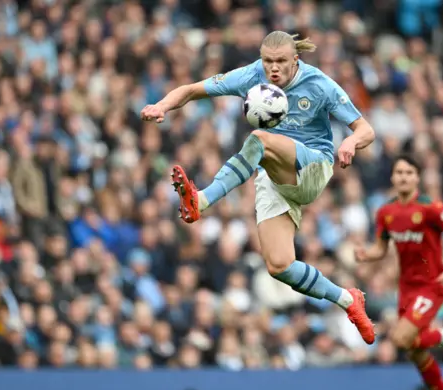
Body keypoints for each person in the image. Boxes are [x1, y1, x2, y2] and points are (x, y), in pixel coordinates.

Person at [140, 31, 377, 344]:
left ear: (296, 59)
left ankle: (202, 200)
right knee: (279, 265)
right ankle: (347, 299)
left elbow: (366, 129)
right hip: (274, 174)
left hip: (314, 165)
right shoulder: (251, 74)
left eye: (281, 61)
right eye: (268, 61)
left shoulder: (319, 84)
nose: (273, 68)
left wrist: (349, 141)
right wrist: (162, 106)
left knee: (258, 140)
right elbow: (191, 89)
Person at [354, 154, 443, 390]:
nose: (403, 177)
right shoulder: (386, 212)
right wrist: (366, 254)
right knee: (413, 350)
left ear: (417, 178)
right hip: (406, 287)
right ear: (392, 177)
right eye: (399, 172)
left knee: (399, 338)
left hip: (433, 284)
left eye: (409, 172)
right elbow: (381, 248)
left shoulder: (432, 208)